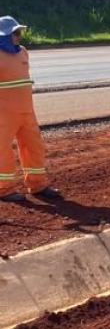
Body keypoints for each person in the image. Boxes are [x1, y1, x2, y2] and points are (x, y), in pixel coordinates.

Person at [0, 16, 62, 202]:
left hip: (27, 111)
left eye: (19, 32)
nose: (19, 36)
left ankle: (37, 185)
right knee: (2, 150)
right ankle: (4, 189)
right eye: (15, 33)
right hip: (4, 113)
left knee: (34, 147)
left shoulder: (23, 52)